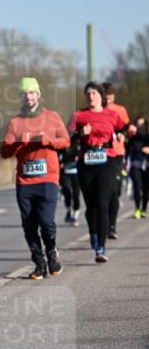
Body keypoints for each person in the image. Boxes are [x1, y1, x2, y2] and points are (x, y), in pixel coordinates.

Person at [1, 77, 70, 279]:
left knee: (46, 221)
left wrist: (48, 141)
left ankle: (51, 251)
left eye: (32, 92)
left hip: (48, 178)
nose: (28, 96)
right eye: (25, 93)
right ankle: (39, 262)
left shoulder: (52, 117)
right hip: (25, 181)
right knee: (28, 225)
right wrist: (17, 145)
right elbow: (4, 152)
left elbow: (66, 141)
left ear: (38, 95)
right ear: (20, 97)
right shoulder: (15, 122)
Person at [67, 81, 126, 263]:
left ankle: (100, 248)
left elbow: (121, 128)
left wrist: (123, 134)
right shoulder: (78, 116)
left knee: (102, 204)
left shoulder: (112, 114)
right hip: (86, 163)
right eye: (88, 93)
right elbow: (67, 139)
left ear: (101, 96)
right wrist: (80, 134)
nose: (91, 95)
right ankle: (93, 232)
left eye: (94, 93)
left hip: (106, 161)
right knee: (91, 206)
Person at [102, 82, 130, 239]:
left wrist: (126, 133)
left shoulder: (120, 110)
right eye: (105, 98)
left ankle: (111, 227)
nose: (108, 102)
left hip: (117, 154)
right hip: (100, 155)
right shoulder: (95, 111)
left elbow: (125, 128)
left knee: (114, 191)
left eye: (110, 98)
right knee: (102, 193)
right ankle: (103, 223)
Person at [127, 116, 149, 219]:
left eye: (142, 124)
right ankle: (137, 208)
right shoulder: (133, 138)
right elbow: (127, 151)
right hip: (136, 165)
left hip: (147, 166)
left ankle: (144, 208)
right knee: (137, 187)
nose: (140, 126)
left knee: (146, 190)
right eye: (138, 124)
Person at [58, 141, 80, 225]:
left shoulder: (76, 145)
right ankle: (68, 211)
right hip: (65, 173)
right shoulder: (60, 147)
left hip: (76, 173)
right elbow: (58, 159)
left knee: (76, 194)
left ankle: (75, 215)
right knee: (66, 191)